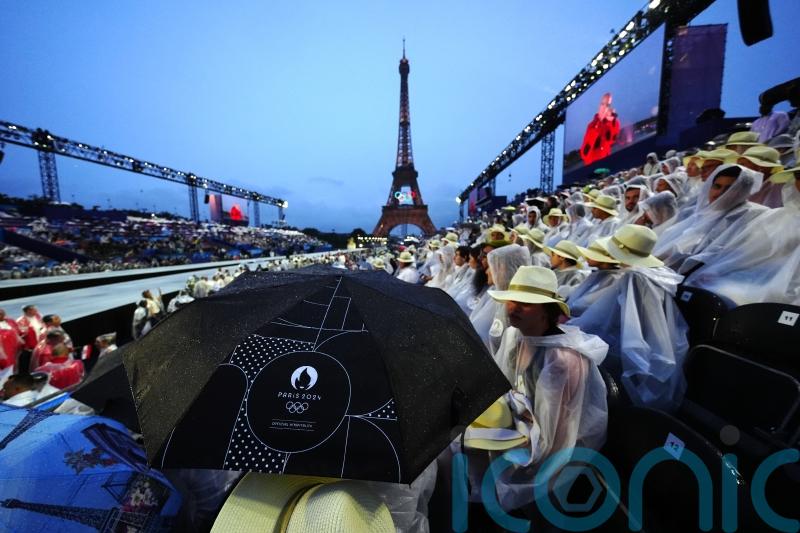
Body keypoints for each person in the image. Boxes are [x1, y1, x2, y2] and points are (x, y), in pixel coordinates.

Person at [463, 266, 608, 511]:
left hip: (546, 447)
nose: (513, 308)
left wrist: (517, 450)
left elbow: (557, 437)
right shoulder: (514, 335)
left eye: (526, 303)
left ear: (546, 312)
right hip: (521, 427)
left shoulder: (562, 360)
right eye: (512, 301)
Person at [569, 225, 688, 411]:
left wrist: (569, 328)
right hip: (652, 346)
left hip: (632, 352)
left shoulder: (635, 278)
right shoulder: (656, 275)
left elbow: (598, 319)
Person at [681, 165, 800, 305]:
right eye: (798, 176)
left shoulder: (756, 213)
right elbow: (744, 254)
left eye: (729, 188)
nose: (721, 193)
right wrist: (717, 270)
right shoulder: (775, 217)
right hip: (752, 280)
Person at [653, 164, 767, 271]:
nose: (720, 193)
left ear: (743, 192)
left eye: (729, 189)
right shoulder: (702, 213)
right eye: (717, 186)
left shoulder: (751, 218)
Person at [469, 245, 530, 354]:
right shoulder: (496, 294)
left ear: (506, 269)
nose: (487, 271)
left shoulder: (515, 306)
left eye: (493, 266)